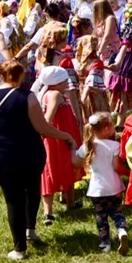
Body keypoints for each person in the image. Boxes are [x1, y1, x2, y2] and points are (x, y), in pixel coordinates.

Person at [0, 60, 77, 260]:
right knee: (32, 189)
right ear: (21, 76)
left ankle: (19, 249)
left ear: (0, 75)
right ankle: (30, 230)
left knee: (13, 200)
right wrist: (66, 136)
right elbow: (42, 127)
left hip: (1, 155)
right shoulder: (27, 97)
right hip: (29, 153)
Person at [72, 111, 129, 255]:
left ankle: (105, 243)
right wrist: (129, 173)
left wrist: (71, 149)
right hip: (114, 187)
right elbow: (117, 167)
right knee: (117, 212)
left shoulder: (87, 146)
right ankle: (122, 230)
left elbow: (75, 162)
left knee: (101, 216)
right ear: (106, 129)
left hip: (97, 190)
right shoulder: (114, 146)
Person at [35, 66, 82, 227]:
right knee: (63, 168)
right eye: (63, 80)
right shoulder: (55, 95)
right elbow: (48, 119)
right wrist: (64, 136)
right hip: (59, 139)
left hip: (57, 137)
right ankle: (63, 206)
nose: (66, 82)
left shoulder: (47, 93)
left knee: (52, 170)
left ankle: (53, 210)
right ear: (56, 82)